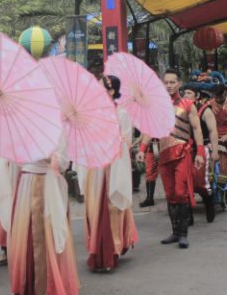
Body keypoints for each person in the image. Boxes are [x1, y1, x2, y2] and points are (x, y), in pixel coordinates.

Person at [4, 150, 80, 295]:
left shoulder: (56, 127)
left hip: (45, 186)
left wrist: (47, 155)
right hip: (25, 183)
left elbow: (63, 162)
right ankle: (30, 292)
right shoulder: (26, 126)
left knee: (44, 242)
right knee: (26, 241)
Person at [137, 69, 204, 249]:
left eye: (172, 82)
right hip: (164, 154)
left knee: (181, 192)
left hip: (182, 153)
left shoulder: (189, 104)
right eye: (166, 82)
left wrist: (200, 153)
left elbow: (197, 129)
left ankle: (183, 233)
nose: (168, 85)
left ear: (179, 84)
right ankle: (175, 232)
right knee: (170, 193)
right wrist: (142, 149)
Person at [84, 75, 138, 270]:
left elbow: (126, 141)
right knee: (93, 210)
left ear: (112, 91)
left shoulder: (121, 113)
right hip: (95, 168)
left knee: (110, 209)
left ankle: (110, 254)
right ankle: (96, 252)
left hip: (112, 168)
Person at [182, 85, 219, 223]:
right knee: (185, 184)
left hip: (201, 149)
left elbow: (213, 131)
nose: (185, 95)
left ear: (197, 96)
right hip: (185, 150)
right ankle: (188, 217)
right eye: (184, 93)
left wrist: (215, 151)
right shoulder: (180, 109)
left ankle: (210, 203)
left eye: (189, 93)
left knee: (199, 182)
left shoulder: (205, 110)